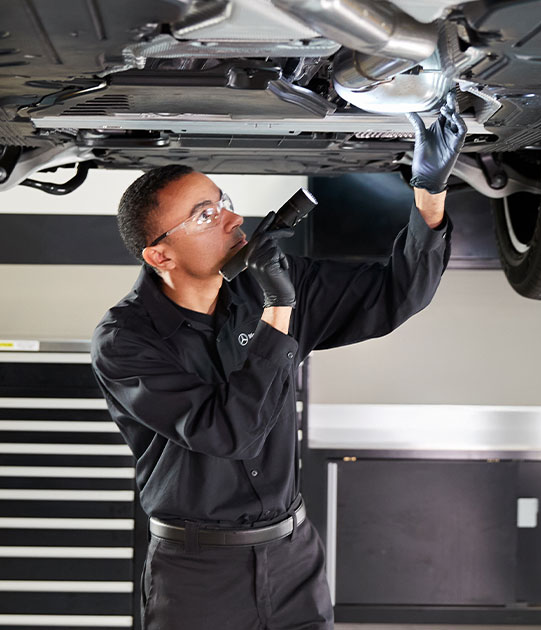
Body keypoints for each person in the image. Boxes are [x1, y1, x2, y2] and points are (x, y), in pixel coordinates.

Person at [90, 92, 467, 629]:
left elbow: (396, 295)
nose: (232, 218)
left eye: (222, 201)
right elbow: (229, 434)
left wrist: (429, 193)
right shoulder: (126, 340)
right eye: (205, 214)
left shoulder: (267, 281)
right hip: (198, 573)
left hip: (293, 558)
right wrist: (279, 307)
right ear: (160, 255)